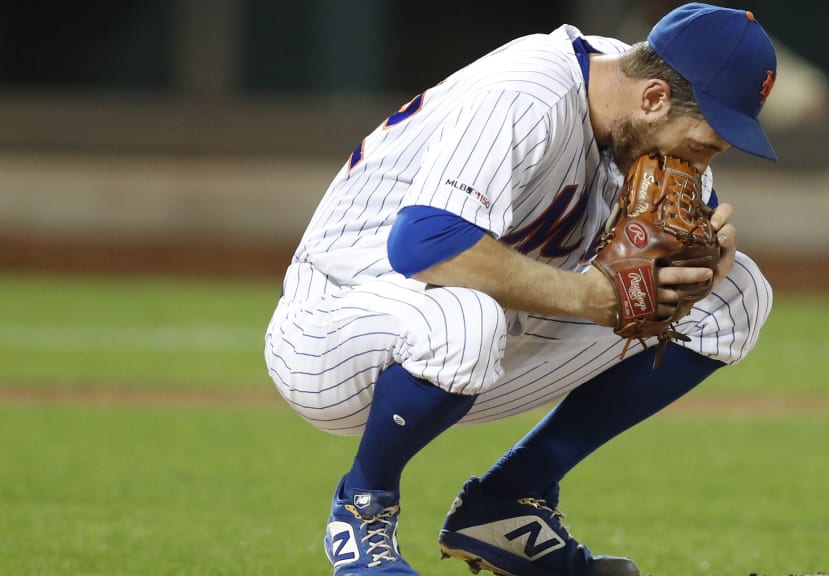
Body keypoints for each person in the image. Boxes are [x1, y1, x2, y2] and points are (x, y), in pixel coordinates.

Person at [264, 3, 777, 575]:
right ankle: (363, 507)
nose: (701, 162)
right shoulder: (530, 93)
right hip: (335, 331)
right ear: (654, 97)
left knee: (738, 295)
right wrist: (589, 297)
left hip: (475, 338)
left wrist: (707, 258)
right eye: (705, 143)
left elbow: (673, 246)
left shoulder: (641, 107)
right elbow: (425, 244)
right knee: (467, 318)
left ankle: (505, 504)